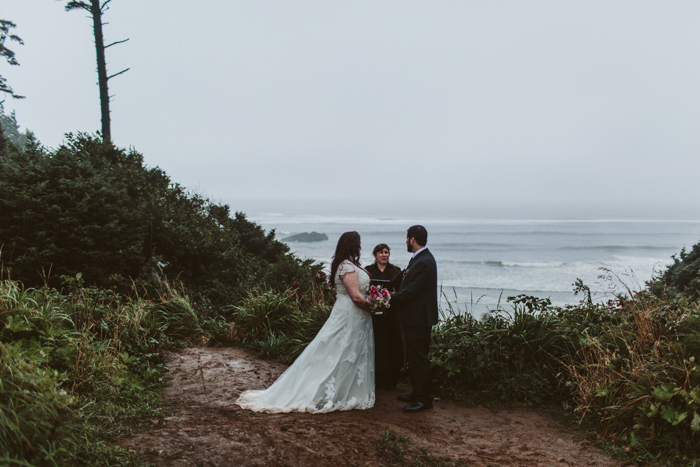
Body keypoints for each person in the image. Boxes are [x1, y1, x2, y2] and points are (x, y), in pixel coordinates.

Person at [236, 231, 376, 413]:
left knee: (348, 351)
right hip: (350, 315)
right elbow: (356, 297)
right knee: (338, 350)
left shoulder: (350, 265)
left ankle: (344, 390)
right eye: (359, 244)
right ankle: (325, 391)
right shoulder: (346, 267)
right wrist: (372, 308)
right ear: (353, 245)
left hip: (357, 316)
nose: (360, 247)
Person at [390, 225, 438, 413]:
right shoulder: (419, 259)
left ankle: (424, 399)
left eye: (407, 238)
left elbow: (411, 292)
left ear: (412, 239)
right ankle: (417, 392)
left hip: (419, 318)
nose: (406, 241)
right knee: (414, 357)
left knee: (419, 359)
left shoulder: (424, 261)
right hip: (415, 317)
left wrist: (387, 298)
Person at [365, 243, 404, 390]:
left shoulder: (396, 271)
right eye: (381, 252)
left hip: (392, 315)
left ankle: (391, 380)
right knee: (377, 345)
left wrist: (394, 294)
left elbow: (401, 290)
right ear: (375, 255)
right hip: (374, 315)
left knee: (393, 345)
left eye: (386, 252)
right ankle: (376, 379)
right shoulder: (368, 271)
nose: (384, 255)